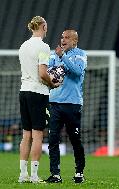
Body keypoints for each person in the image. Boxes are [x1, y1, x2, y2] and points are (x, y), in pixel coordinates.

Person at [18, 16, 59, 183]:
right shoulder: (43, 47)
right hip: (38, 93)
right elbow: (42, 73)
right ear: (44, 27)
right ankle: (34, 176)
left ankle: (23, 174)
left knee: (26, 135)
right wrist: (52, 83)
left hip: (24, 91)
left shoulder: (23, 46)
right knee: (38, 135)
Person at [45, 30, 87, 184]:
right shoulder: (52, 54)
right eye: (62, 37)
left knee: (75, 139)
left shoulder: (80, 54)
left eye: (67, 38)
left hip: (73, 103)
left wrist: (63, 57)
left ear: (75, 41)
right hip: (55, 102)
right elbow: (47, 74)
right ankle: (55, 174)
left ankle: (79, 172)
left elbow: (77, 71)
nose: (63, 40)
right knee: (53, 139)